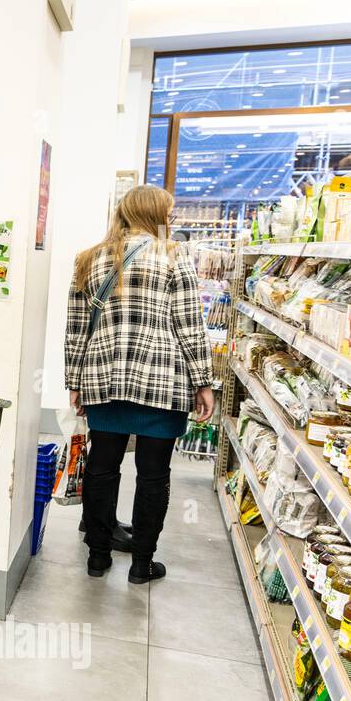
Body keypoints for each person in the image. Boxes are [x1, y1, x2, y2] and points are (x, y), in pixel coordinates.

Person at [64, 185, 215, 585]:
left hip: (102, 375)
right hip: (161, 379)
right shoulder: (173, 255)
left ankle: (97, 556)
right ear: (156, 214)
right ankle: (141, 563)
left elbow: (76, 328)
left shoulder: (89, 258)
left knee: (101, 468)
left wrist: (74, 380)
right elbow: (189, 324)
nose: (174, 218)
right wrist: (203, 381)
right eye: (170, 211)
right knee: (153, 475)